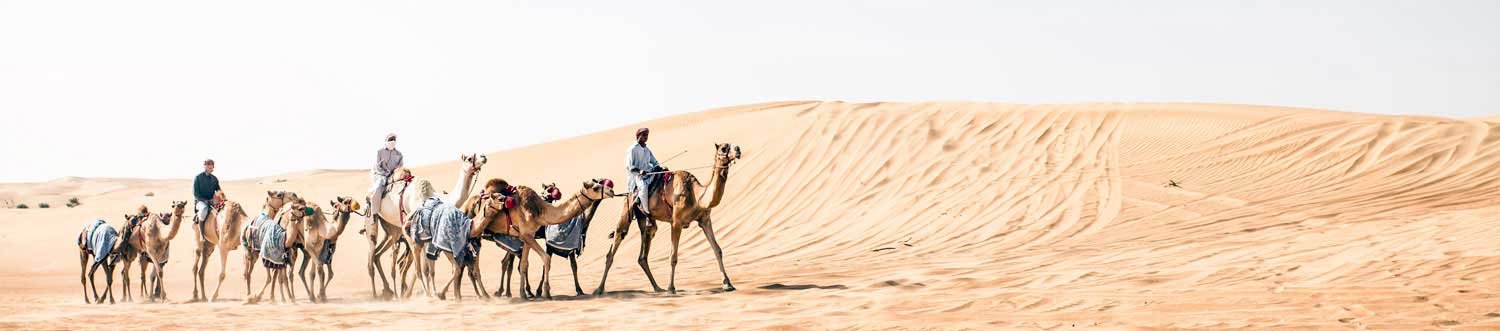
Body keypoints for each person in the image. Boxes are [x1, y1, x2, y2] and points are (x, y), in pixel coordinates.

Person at [625, 128, 664, 214]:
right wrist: (640, 171)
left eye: (647, 135)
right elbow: (629, 166)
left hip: (649, 172)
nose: (646, 137)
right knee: (643, 189)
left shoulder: (647, 150)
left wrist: (659, 167)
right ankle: (646, 212)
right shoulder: (632, 149)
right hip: (637, 176)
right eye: (644, 135)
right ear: (638, 136)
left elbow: (654, 162)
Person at [369, 133, 404, 217]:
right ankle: (374, 212)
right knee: (378, 188)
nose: (392, 141)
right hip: (380, 175)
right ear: (386, 141)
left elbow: (400, 165)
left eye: (394, 139)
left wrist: (395, 174)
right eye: (390, 139)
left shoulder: (399, 154)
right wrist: (385, 174)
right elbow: (377, 167)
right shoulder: (380, 152)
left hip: (394, 175)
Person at [192, 159, 221, 224]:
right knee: (204, 209)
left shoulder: (214, 179)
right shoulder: (198, 177)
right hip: (200, 202)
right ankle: (201, 231)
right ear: (204, 166)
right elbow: (195, 193)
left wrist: (222, 198)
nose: (210, 168)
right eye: (208, 166)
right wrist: (205, 201)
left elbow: (219, 190)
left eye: (211, 166)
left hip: (212, 201)